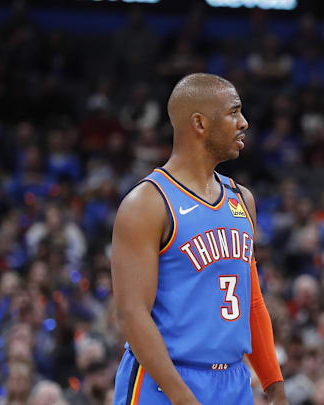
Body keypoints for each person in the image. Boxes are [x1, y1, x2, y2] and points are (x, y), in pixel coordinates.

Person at [111, 73, 287, 405]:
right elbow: (132, 314)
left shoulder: (241, 198)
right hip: (163, 383)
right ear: (200, 124)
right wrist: (184, 398)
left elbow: (252, 303)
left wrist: (274, 385)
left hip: (233, 382)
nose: (244, 122)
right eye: (233, 112)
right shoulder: (147, 203)